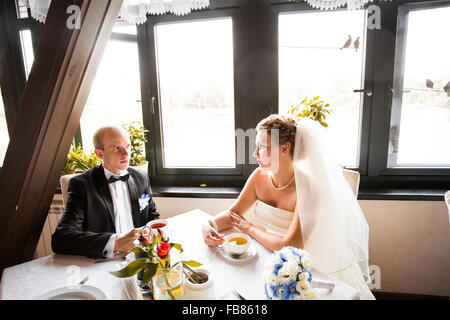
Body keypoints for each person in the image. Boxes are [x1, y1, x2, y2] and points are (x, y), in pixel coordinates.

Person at [202, 114, 375, 300]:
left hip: (303, 267)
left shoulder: (307, 189)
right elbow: (233, 214)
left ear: (284, 148)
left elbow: (291, 245)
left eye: (261, 147)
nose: (254, 154)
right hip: (269, 255)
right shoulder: (258, 176)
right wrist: (209, 224)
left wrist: (249, 228)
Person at [52, 126, 159, 259]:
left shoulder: (141, 177)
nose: (126, 153)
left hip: (140, 258)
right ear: (100, 154)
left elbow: (152, 218)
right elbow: (61, 239)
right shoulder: (82, 184)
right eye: (117, 148)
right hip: (103, 263)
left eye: (127, 146)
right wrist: (115, 243)